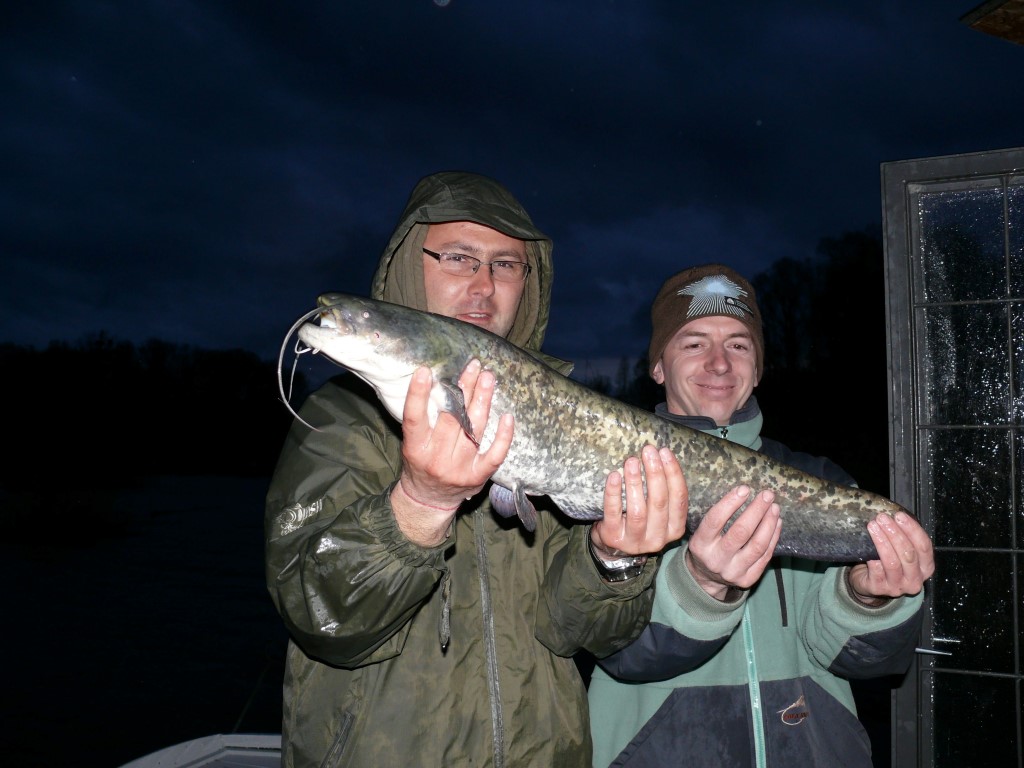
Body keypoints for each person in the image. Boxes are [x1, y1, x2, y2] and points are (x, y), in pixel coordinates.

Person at [264, 171, 688, 768]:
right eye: (459, 258)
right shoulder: (338, 422)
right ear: (413, 264)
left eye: (506, 265)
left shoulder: (559, 414)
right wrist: (419, 504)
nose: (484, 286)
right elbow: (322, 619)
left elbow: (584, 634)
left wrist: (614, 561)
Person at [588, 264, 935, 768]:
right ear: (657, 366)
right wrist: (701, 585)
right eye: (693, 343)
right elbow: (618, 651)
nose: (719, 364)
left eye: (738, 344)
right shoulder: (607, 475)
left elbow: (867, 662)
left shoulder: (823, 482)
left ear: (759, 366)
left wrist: (867, 598)